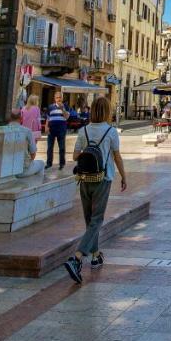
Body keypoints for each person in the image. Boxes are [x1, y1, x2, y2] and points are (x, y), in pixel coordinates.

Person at [63, 97, 127, 283]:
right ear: (107, 111)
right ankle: (77, 258)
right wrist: (124, 176)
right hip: (103, 178)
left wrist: (87, 152)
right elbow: (117, 157)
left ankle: (96, 255)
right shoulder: (111, 131)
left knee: (90, 219)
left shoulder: (83, 130)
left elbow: (75, 155)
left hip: (84, 179)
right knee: (97, 219)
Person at [46, 95, 69, 169]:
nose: (58, 99)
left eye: (60, 97)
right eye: (57, 97)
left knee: (62, 147)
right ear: (54, 98)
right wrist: (46, 127)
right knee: (50, 147)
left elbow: (66, 117)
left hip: (61, 129)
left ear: (62, 98)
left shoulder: (65, 106)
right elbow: (48, 118)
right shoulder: (50, 107)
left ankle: (61, 164)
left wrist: (63, 109)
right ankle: (49, 163)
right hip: (52, 129)